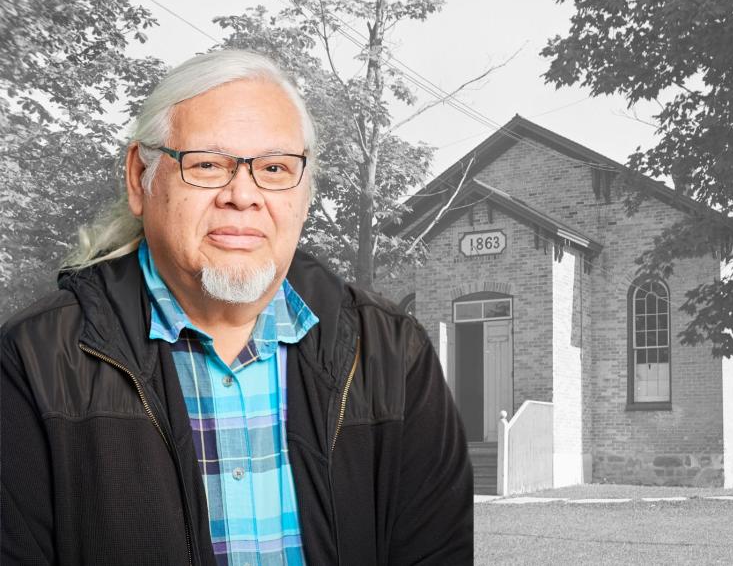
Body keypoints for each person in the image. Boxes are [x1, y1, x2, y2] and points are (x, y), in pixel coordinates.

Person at [1, 49, 473, 566]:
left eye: (274, 167)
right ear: (140, 178)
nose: (243, 195)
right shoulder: (31, 362)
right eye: (207, 164)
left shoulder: (393, 355)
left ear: (304, 192)